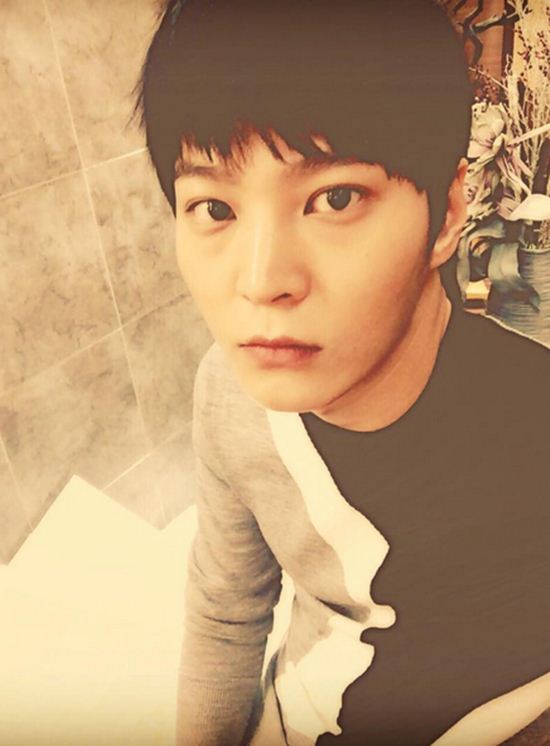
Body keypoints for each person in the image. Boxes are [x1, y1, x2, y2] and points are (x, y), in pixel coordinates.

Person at [134, 1, 550, 743]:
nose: (262, 282)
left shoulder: (531, 420)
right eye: (215, 208)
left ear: (446, 212)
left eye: (335, 198)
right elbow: (227, 614)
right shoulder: (228, 396)